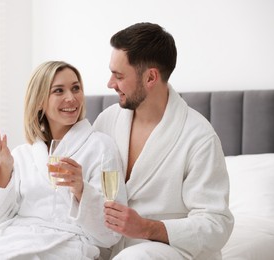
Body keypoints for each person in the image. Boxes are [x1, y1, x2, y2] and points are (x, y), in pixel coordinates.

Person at [0, 61, 126, 259]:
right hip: (18, 238)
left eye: (76, 88)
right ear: (39, 102)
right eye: (59, 91)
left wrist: (81, 189)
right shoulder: (22, 155)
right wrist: (5, 167)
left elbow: (111, 234)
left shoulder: (101, 147)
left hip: (68, 244)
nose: (71, 98)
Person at [93, 22, 234, 259]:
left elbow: (216, 224)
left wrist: (147, 227)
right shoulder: (106, 121)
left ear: (150, 77)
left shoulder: (198, 137)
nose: (110, 83)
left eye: (118, 76)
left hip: (170, 250)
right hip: (112, 246)